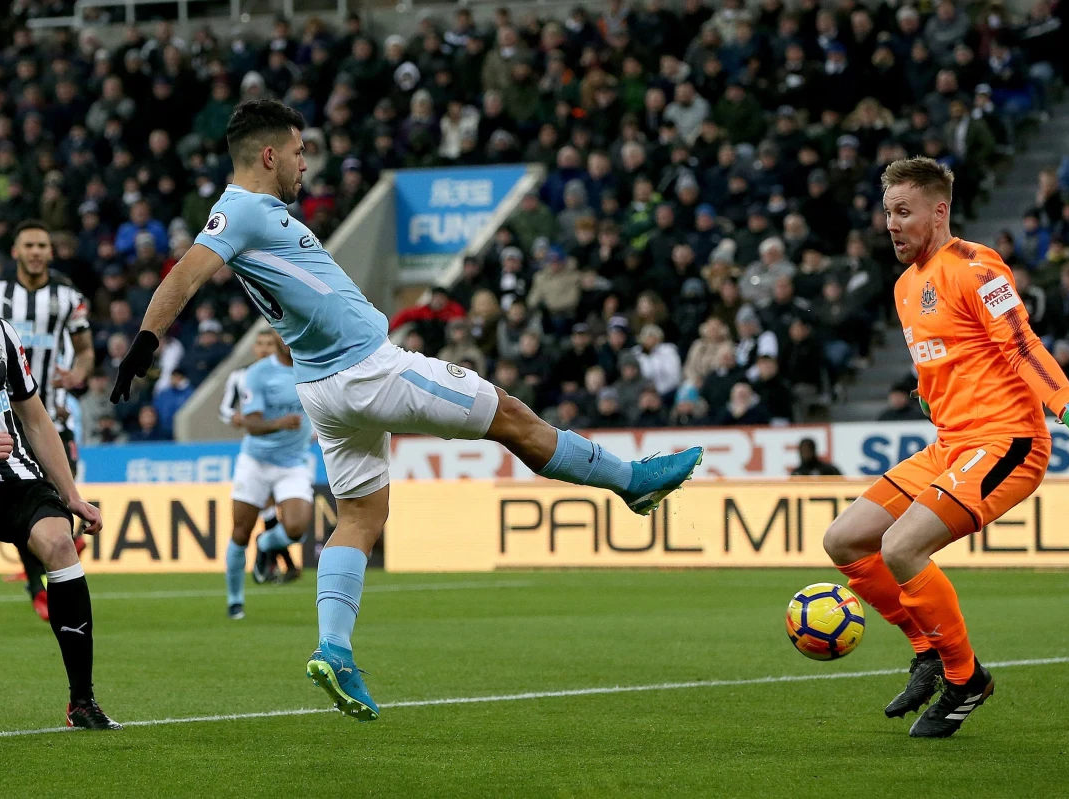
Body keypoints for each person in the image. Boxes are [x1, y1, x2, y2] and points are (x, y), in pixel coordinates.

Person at [112, 101, 703, 722]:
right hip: (368, 370)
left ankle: (334, 649)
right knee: (509, 416)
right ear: (268, 154)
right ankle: (629, 482)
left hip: (322, 388)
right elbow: (182, 277)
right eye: (299, 151)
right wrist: (144, 346)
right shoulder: (243, 211)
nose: (304, 163)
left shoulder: (248, 215)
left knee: (360, 515)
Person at [822, 157, 1069, 739]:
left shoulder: (977, 268)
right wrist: (930, 398)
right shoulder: (904, 286)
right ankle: (929, 650)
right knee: (844, 540)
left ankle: (965, 678)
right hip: (951, 445)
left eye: (903, 211)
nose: (891, 224)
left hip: (1007, 441)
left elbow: (1022, 347)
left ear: (939, 211)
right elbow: (940, 367)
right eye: (887, 213)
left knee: (901, 547)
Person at [0, 313, 117, 729]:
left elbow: (35, 419)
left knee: (59, 543)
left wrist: (72, 495)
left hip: (16, 475)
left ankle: (82, 701)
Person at [0, 220, 93, 622]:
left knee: (55, 497)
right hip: (0, 421)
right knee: (19, 497)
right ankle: (35, 585)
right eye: (29, 245)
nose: (36, 252)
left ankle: (42, 573)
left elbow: (85, 350)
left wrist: (78, 374)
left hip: (49, 415)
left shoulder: (68, 297)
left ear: (51, 251)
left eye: (43, 245)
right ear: (16, 251)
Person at [226, 330, 314, 619]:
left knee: (297, 528)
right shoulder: (258, 373)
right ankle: (235, 600)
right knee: (240, 532)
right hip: (257, 461)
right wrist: (280, 423)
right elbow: (251, 425)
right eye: (284, 335)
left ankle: (265, 544)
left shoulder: (314, 366)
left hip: (293, 462)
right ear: (277, 336)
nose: (289, 341)